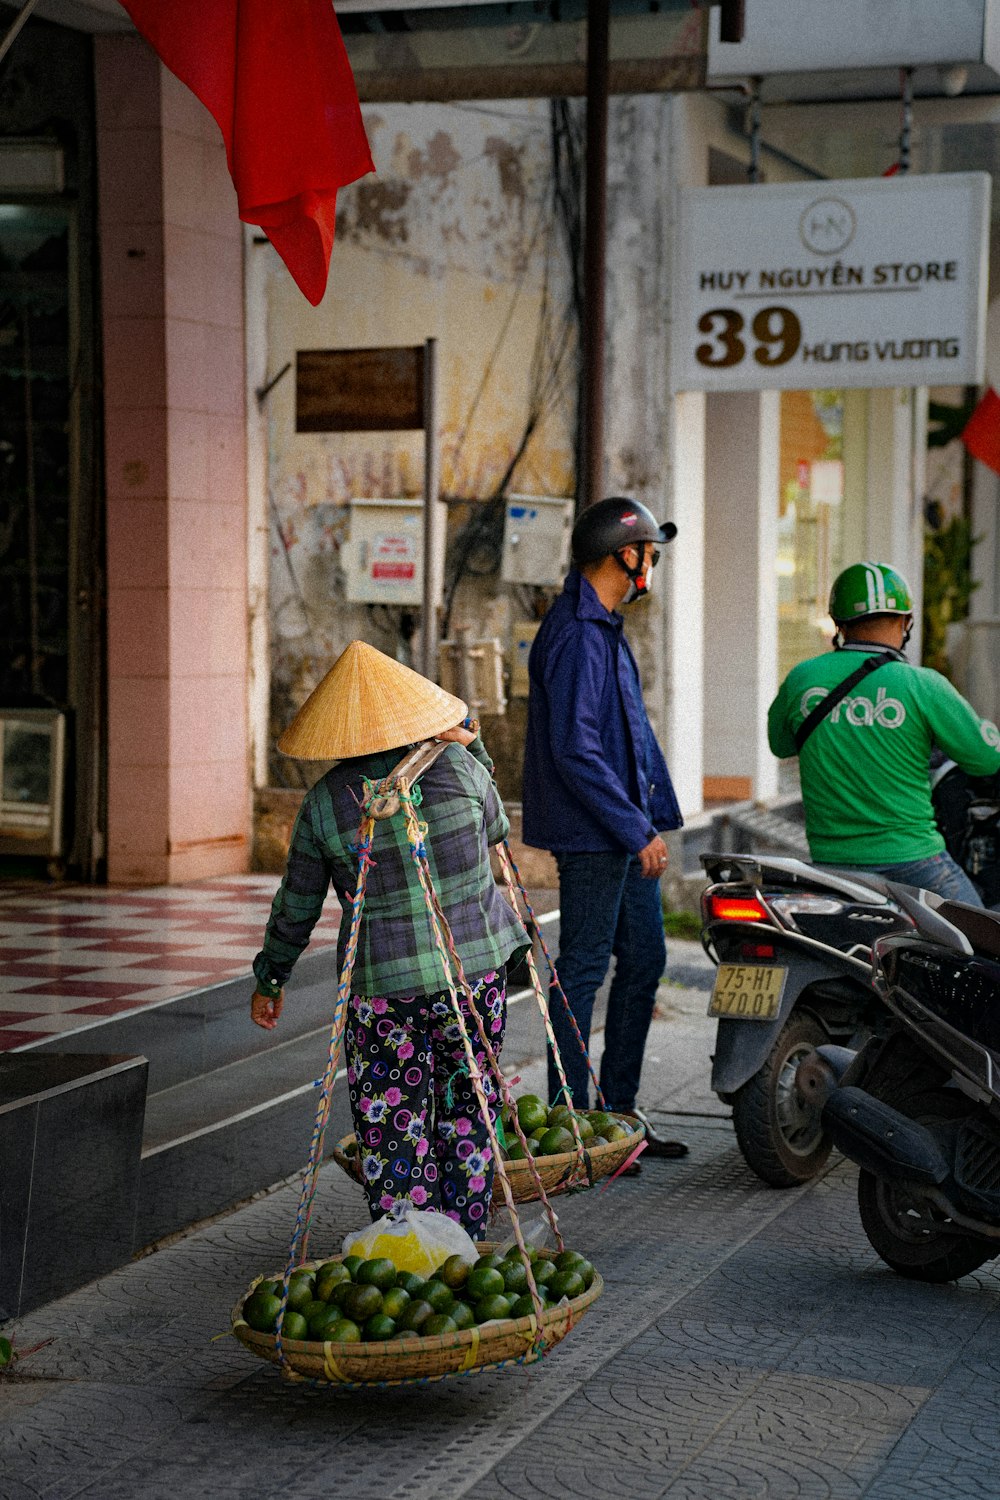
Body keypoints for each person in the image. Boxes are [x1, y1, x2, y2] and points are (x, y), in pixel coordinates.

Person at [251, 640, 529, 1239]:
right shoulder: (461, 769)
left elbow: (297, 904)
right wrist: (471, 741)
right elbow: (500, 830)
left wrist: (271, 976)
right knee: (468, 1113)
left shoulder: (326, 804)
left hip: (385, 996)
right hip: (474, 980)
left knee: (395, 1127)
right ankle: (464, 1246)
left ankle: (409, 1251)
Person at [522, 496, 688, 1159]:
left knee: (646, 959)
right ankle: (572, 1126)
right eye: (650, 551)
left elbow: (629, 736)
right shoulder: (576, 634)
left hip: (623, 832)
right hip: (598, 836)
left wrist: (650, 817)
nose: (653, 563)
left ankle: (618, 1119)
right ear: (628, 555)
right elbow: (576, 749)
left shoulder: (604, 627)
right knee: (582, 971)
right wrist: (633, 827)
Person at [768, 560, 1000, 904]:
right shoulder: (922, 685)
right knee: (983, 948)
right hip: (915, 862)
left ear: (838, 623)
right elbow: (985, 761)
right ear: (905, 623)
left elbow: (780, 744)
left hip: (832, 863)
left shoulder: (803, 678)